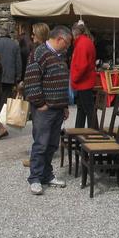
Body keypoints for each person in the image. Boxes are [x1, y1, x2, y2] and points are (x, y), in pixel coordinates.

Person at [23, 25, 72, 195]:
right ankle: (35, 178)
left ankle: (46, 175)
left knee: (51, 144)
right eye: (67, 43)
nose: (68, 47)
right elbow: (31, 81)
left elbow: (61, 82)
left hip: (57, 108)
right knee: (41, 144)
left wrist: (64, 105)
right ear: (59, 39)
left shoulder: (60, 55)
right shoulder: (39, 54)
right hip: (45, 109)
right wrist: (40, 103)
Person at [70, 21, 96, 128]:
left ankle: (94, 135)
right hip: (85, 81)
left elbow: (82, 65)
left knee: (88, 111)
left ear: (74, 33)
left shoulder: (82, 44)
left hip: (83, 82)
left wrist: (74, 78)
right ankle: (79, 131)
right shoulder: (86, 42)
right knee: (83, 110)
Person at [0, 26, 22, 107]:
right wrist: (18, 76)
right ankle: (4, 114)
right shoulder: (15, 45)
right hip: (10, 76)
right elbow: (18, 62)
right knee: (7, 98)